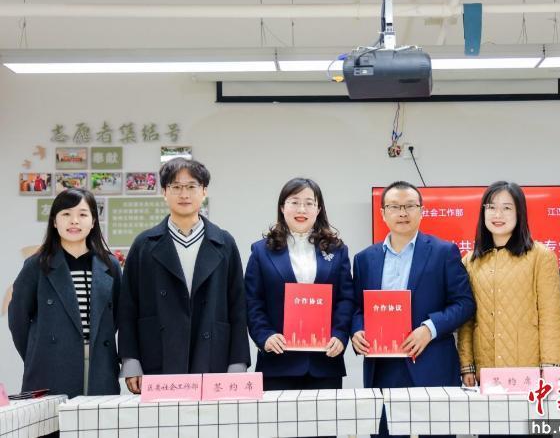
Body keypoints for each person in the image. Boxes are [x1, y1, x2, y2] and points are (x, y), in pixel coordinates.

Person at [351, 180, 475, 438]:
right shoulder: (364, 259)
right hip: (383, 368)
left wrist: (429, 329)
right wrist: (357, 331)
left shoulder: (444, 252)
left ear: (421, 210)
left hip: (431, 364)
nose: (402, 213)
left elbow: (464, 303)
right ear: (383, 213)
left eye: (409, 206)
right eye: (394, 207)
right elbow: (356, 308)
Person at [118, 158, 250, 394]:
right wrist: (130, 361)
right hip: (157, 353)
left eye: (191, 186)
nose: (184, 194)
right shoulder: (144, 244)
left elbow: (237, 306)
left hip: (213, 354)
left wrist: (238, 362)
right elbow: (128, 306)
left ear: (204, 191)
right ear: (164, 192)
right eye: (176, 187)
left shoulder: (224, 243)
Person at [9, 188, 121, 398]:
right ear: (54, 221)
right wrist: (38, 355)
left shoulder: (110, 265)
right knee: (53, 420)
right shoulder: (36, 265)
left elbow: (116, 318)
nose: (74, 221)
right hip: (51, 366)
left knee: (96, 418)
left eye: (82, 214)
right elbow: (18, 319)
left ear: (93, 221)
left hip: (100, 366)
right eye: (66, 214)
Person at [245, 177, 354, 391]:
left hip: (324, 361)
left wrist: (340, 335)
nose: (301, 209)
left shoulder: (337, 250)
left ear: (318, 209)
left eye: (309, 203)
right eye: (294, 202)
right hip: (278, 360)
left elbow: (346, 299)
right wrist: (265, 335)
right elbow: (252, 300)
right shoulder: (261, 251)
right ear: (282, 207)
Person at [457, 181, 560, 386]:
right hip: (485, 370)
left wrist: (551, 366)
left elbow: (551, 318)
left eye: (507, 208)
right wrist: (467, 365)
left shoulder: (541, 257)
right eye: (491, 207)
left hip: (528, 370)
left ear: (519, 213)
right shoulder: (470, 262)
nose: (498, 215)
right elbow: (467, 322)